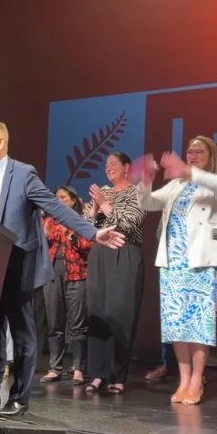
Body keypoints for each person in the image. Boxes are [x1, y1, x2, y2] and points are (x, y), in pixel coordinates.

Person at [0, 119, 124, 418]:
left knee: (23, 333)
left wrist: (93, 232)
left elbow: (56, 208)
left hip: (16, 263)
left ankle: (19, 398)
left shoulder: (23, 173)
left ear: (1, 142)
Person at [138, 137, 217, 404]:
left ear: (210, 155)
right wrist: (146, 180)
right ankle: (183, 379)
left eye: (198, 151)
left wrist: (188, 171)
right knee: (177, 325)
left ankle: (197, 380)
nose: (192, 155)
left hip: (202, 261)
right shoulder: (175, 185)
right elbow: (148, 203)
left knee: (200, 324)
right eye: (189, 152)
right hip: (173, 263)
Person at [84, 152, 146, 395]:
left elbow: (131, 222)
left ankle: (117, 375)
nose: (108, 168)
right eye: (106, 165)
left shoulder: (136, 192)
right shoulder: (103, 193)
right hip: (100, 253)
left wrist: (105, 205)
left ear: (126, 167)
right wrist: (95, 207)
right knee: (98, 311)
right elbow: (85, 225)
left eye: (113, 164)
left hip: (125, 252)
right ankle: (98, 373)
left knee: (120, 313)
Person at [40, 186, 92, 385]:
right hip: (53, 276)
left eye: (63, 197)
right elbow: (40, 246)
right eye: (56, 198)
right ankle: (55, 368)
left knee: (78, 326)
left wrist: (69, 233)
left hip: (77, 276)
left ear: (73, 200)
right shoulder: (48, 221)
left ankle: (79, 368)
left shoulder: (80, 220)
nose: (59, 200)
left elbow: (88, 245)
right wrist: (44, 233)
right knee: (55, 324)